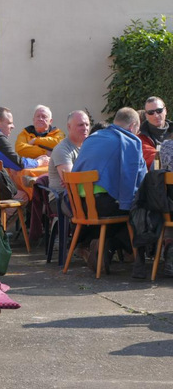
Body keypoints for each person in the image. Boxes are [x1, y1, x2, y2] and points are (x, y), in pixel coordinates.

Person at [72, 107, 146, 271]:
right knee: (139, 210)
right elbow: (139, 180)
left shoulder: (92, 138)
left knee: (126, 209)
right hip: (104, 206)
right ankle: (112, 246)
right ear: (133, 126)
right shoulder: (130, 141)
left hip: (80, 206)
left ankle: (97, 244)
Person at [48, 110, 90, 202]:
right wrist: (91, 176)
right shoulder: (62, 149)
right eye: (80, 125)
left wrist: (79, 177)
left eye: (87, 124)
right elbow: (71, 181)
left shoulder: (89, 147)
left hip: (84, 193)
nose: (85, 128)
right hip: (62, 198)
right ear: (69, 127)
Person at [137, 96, 173, 168]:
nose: (156, 115)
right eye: (151, 112)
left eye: (159, 110)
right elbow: (155, 163)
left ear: (165, 111)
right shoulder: (140, 139)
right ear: (146, 115)